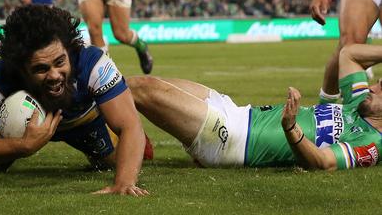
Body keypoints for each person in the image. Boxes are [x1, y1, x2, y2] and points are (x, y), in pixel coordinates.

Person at [0, 4, 150, 195]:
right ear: (20, 68)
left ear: (69, 50)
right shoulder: (0, 76)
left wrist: (124, 183)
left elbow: (130, 127)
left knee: (122, 160)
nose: (55, 75)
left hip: (85, 120)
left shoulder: (92, 62)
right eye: (41, 68)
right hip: (25, 128)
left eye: (60, 62)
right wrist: (22, 146)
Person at [127, 41, 382, 170]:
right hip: (235, 111)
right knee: (140, 84)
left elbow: (324, 163)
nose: (372, 87)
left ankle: (100, 135)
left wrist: (291, 128)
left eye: (381, 87)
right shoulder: (361, 104)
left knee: (141, 89)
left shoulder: (372, 142)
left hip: (231, 140)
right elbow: (349, 54)